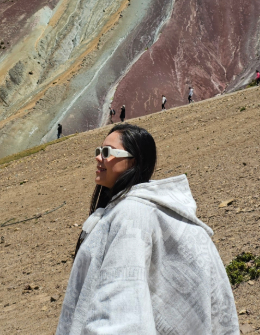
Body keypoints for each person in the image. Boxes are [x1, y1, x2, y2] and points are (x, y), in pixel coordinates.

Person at [57, 123, 239, 334]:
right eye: (99, 151)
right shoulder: (136, 208)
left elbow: (122, 308)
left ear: (133, 161)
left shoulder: (131, 214)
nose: (99, 158)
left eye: (107, 152)